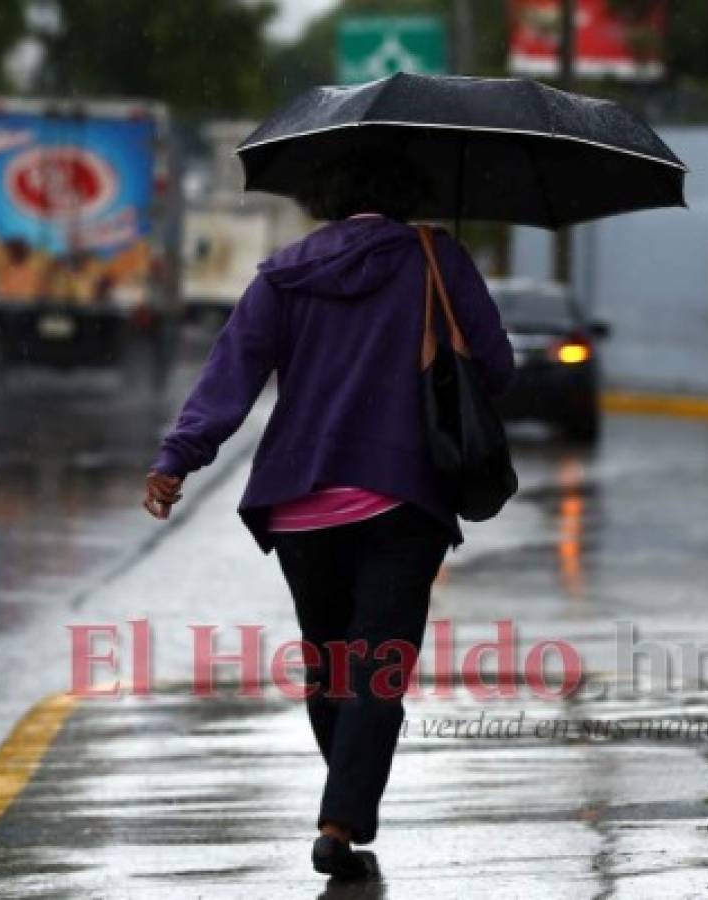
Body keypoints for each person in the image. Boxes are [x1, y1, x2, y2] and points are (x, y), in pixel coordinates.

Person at [143, 148, 515, 880]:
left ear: (326, 194)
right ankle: (338, 821)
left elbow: (233, 373)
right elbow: (496, 371)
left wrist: (175, 458)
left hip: (299, 504)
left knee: (330, 662)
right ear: (407, 189)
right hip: (400, 496)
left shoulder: (284, 272)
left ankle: (343, 810)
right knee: (376, 665)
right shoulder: (435, 258)